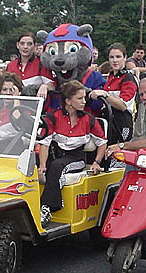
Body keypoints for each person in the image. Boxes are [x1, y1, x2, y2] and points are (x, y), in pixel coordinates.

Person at [38, 80, 107, 225]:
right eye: (80, 98)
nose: (84, 101)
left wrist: (96, 162)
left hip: (77, 158)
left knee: (57, 166)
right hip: (56, 156)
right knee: (38, 164)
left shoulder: (88, 119)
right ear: (68, 101)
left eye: (84, 98)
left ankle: (46, 207)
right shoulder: (53, 117)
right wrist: (42, 165)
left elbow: (102, 143)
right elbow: (44, 143)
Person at [90, 43, 137, 144]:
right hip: (109, 121)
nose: (115, 60)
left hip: (122, 123)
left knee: (117, 156)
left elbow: (123, 105)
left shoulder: (128, 78)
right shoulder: (111, 76)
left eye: (118, 57)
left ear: (125, 58)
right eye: (112, 57)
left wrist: (105, 95)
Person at [6, 32, 53, 97]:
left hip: (35, 106)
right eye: (22, 43)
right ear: (17, 45)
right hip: (13, 104)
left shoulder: (42, 64)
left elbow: (53, 85)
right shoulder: (10, 65)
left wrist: (45, 86)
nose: (25, 47)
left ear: (35, 46)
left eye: (29, 44)